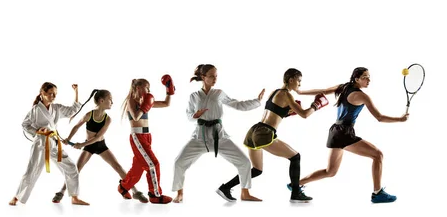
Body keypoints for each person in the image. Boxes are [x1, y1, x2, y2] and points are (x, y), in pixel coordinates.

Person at [291, 67, 409, 203]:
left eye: (369, 77)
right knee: (378, 155)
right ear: (356, 79)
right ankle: (377, 193)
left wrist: (300, 92)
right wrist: (400, 119)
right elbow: (380, 117)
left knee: (330, 172)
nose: (368, 80)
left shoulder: (343, 87)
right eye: (365, 77)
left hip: (335, 131)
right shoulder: (362, 96)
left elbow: (322, 91)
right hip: (344, 133)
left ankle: (295, 184)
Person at [219, 68, 329, 203]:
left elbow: (274, 112)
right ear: (291, 80)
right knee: (295, 157)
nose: (300, 84)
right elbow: (305, 114)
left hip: (253, 131)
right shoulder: (287, 95)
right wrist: (316, 105)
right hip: (264, 133)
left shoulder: (275, 92)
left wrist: (286, 113)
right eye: (299, 81)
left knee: (257, 170)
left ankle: (225, 187)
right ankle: (295, 193)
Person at [172, 64, 265, 203]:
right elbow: (189, 115)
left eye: (216, 76)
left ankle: (245, 193)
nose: (215, 79)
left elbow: (237, 104)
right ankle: (179, 193)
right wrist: (195, 115)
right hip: (199, 137)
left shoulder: (219, 93)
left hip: (219, 137)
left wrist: (257, 101)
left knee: (244, 162)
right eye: (211, 76)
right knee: (179, 162)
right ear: (203, 77)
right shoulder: (194, 96)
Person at [51, 89, 149, 203]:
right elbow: (76, 127)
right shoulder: (89, 115)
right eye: (110, 100)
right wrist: (69, 139)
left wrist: (81, 144)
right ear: (102, 101)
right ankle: (61, 192)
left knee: (118, 167)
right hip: (89, 147)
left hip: (100, 146)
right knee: (76, 169)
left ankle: (135, 191)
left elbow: (97, 137)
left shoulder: (108, 119)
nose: (112, 102)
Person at [9, 82, 90, 206]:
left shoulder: (56, 108)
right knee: (33, 169)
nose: (54, 96)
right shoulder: (35, 110)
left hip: (54, 141)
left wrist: (76, 92)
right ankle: (16, 197)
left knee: (71, 167)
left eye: (55, 94)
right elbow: (25, 125)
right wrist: (36, 131)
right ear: (43, 93)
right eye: (51, 94)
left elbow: (72, 110)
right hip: (41, 143)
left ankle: (74, 197)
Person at [117, 76, 175, 204]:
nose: (149, 90)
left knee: (138, 169)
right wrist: (146, 104)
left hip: (147, 136)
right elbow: (136, 117)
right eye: (146, 87)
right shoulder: (131, 101)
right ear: (138, 88)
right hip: (137, 137)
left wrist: (169, 91)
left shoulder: (145, 100)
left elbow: (166, 104)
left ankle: (123, 187)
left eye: (149, 88)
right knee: (153, 164)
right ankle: (154, 195)